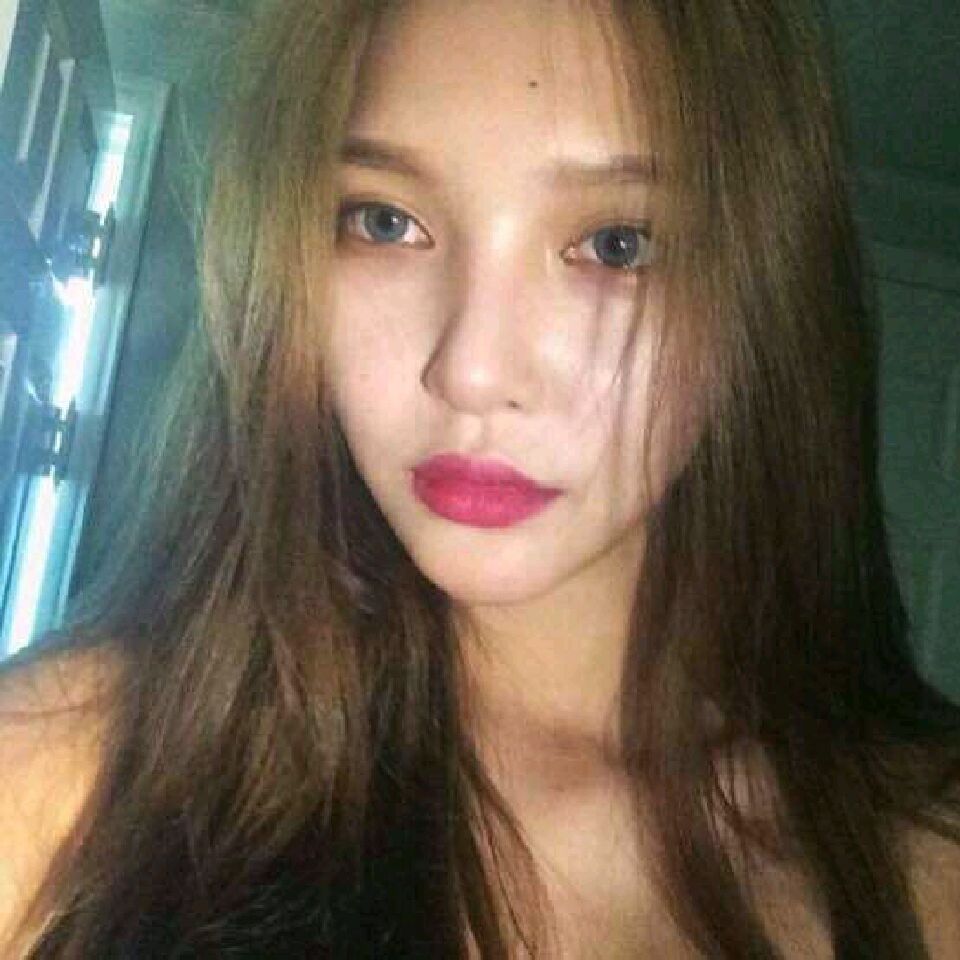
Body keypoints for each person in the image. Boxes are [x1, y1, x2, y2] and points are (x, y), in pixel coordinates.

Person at [2, 0, 959, 955]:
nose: (471, 371)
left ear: (764, 297)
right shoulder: (66, 776)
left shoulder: (929, 857)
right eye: (385, 222)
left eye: (616, 245)